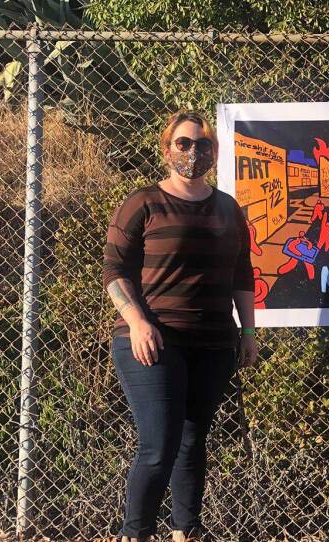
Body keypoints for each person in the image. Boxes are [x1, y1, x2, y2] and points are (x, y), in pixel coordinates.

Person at [102, 111, 257, 542]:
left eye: (202, 144)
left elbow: (242, 274)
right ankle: (136, 534)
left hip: (213, 343)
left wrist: (248, 332)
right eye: (184, 143)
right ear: (167, 148)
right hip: (154, 340)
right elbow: (115, 270)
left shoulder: (228, 207)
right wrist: (137, 322)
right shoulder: (143, 203)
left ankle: (185, 532)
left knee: (193, 443)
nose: (194, 152)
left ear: (214, 150)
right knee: (159, 446)